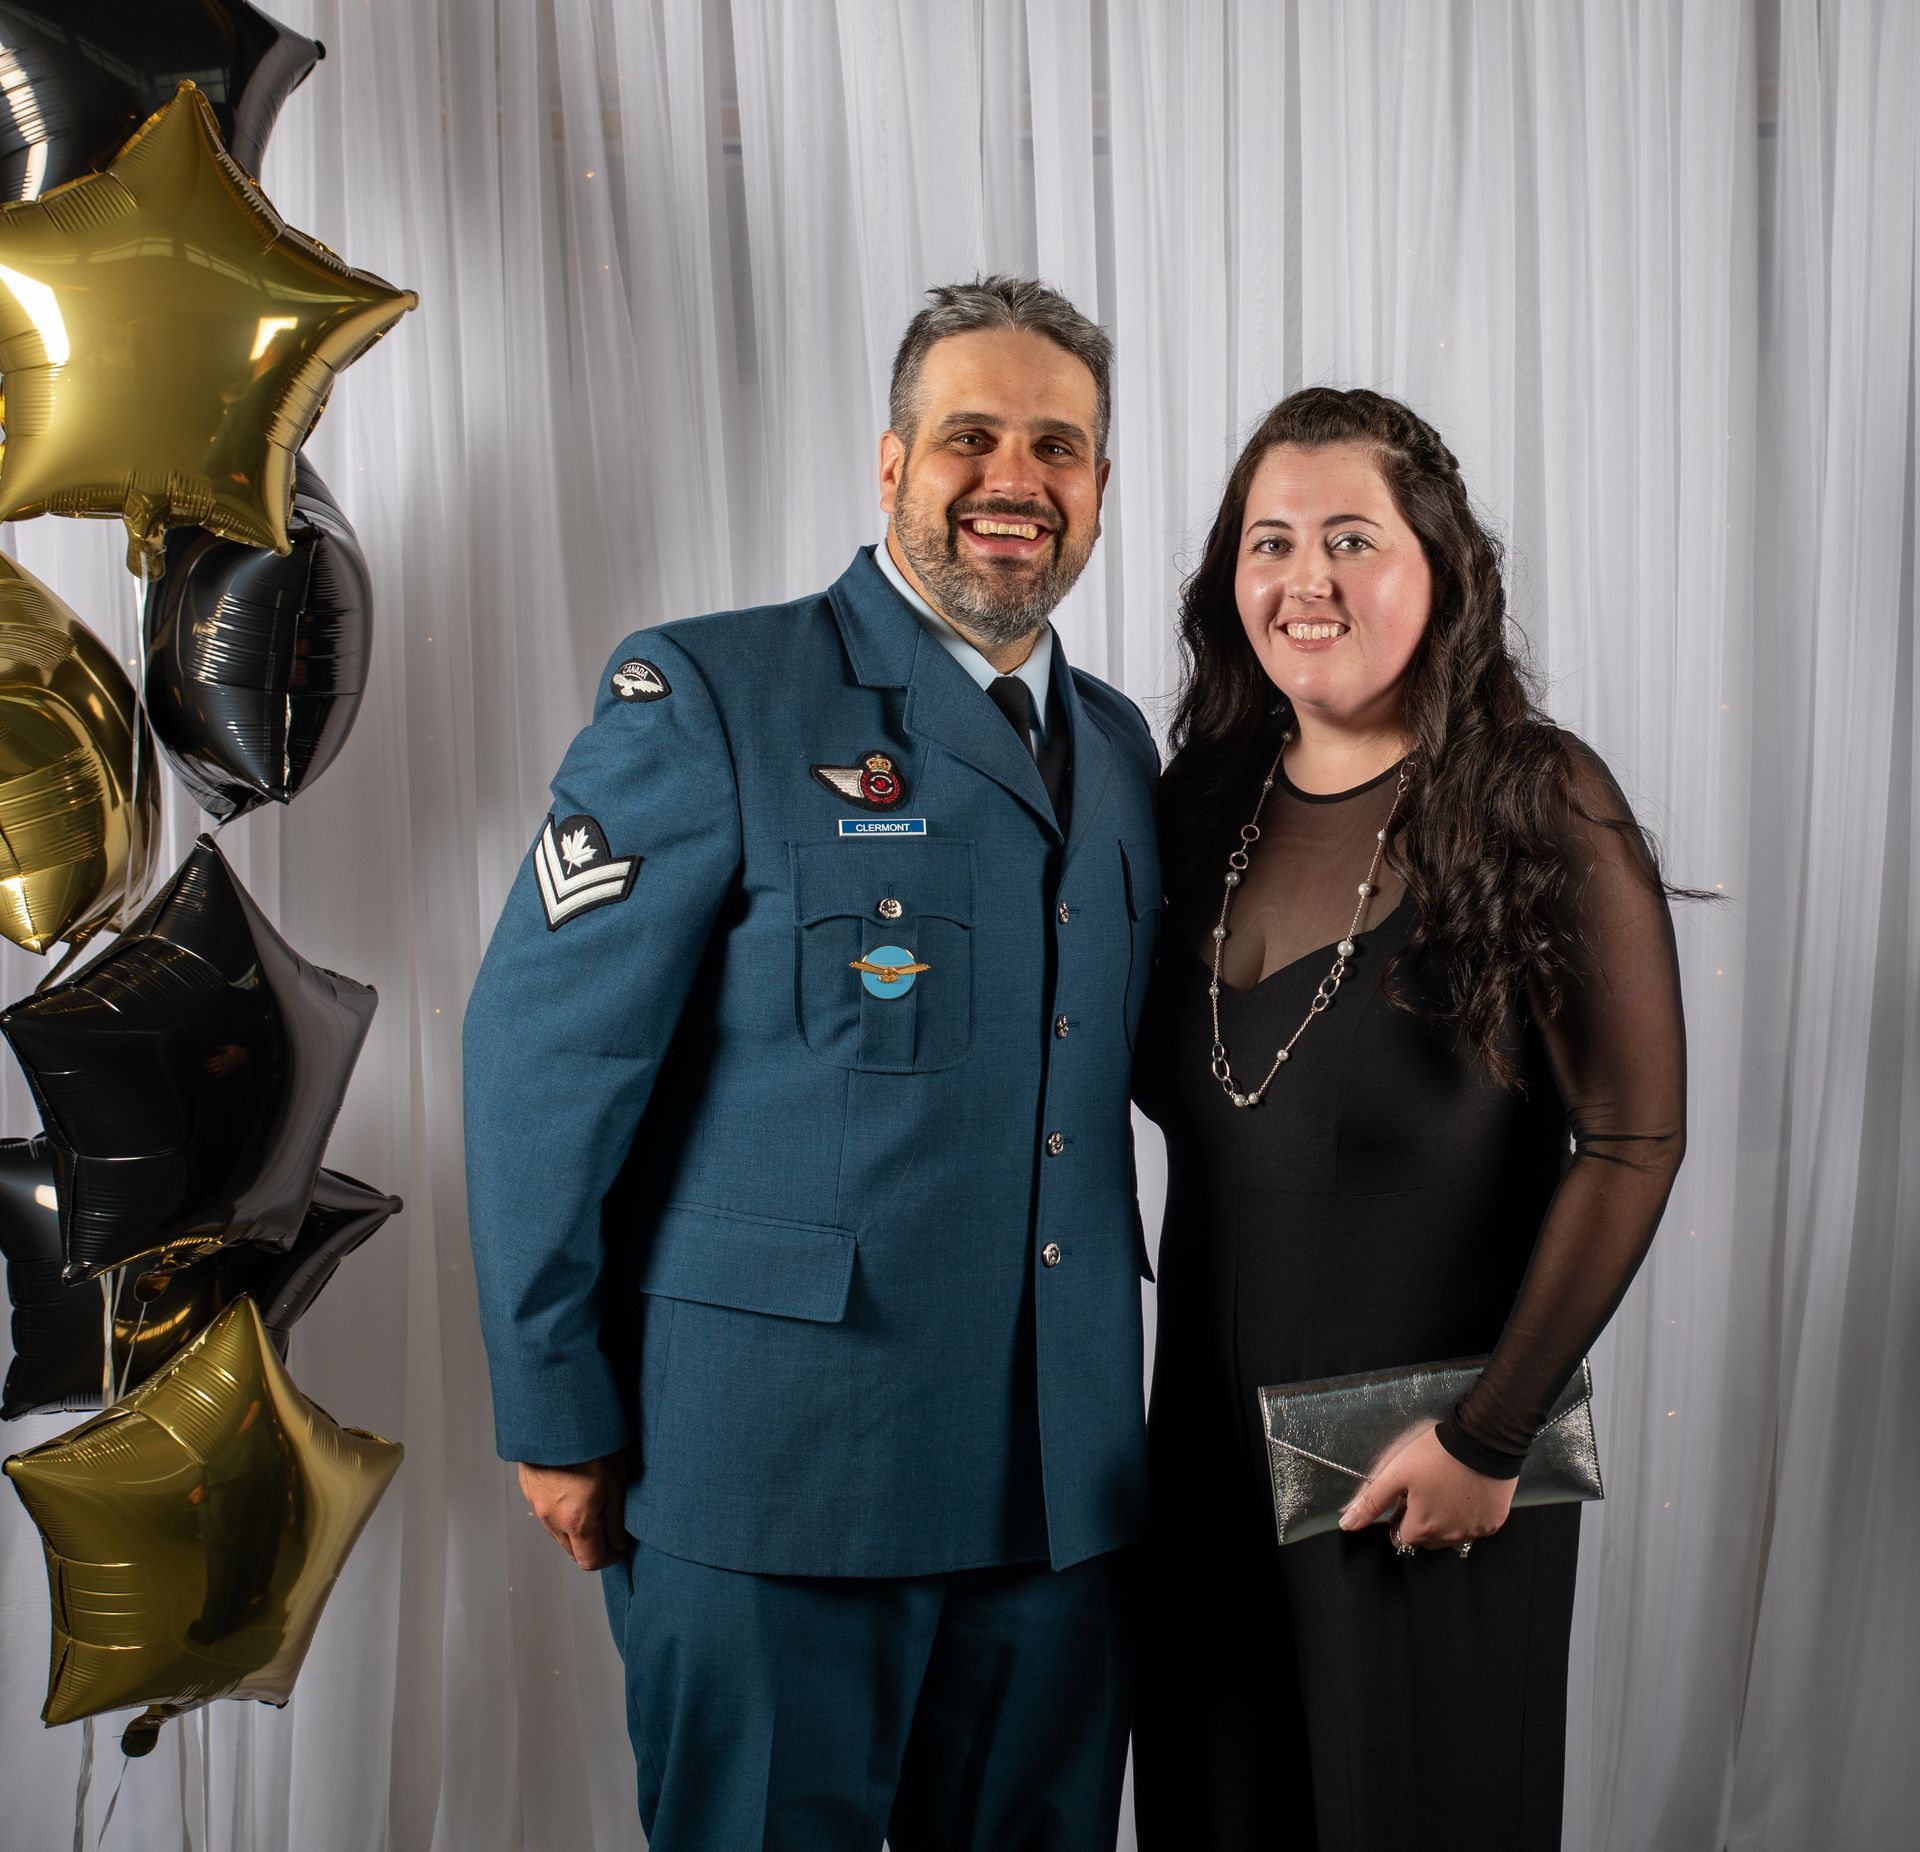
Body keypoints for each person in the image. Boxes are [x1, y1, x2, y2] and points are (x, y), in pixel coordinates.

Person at [462, 276, 1161, 1852]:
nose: (1014, 480)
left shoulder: (1119, 749)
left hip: (1055, 1504)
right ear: (893, 462)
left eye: (1059, 448)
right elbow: (540, 1060)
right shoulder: (713, 694)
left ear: (1100, 492)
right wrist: (554, 1408)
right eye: (971, 435)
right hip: (778, 1479)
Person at [1131, 387, 1689, 1850]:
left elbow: (1633, 1138)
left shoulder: (1538, 799)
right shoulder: (1197, 807)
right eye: (1269, 542)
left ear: (1440, 569)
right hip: (1198, 1462)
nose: (1303, 579)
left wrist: (1494, 1436)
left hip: (1425, 1464)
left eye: (1350, 539)